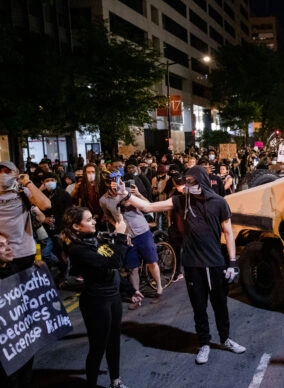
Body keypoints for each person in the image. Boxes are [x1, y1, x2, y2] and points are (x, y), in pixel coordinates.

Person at [122, 165, 247, 364]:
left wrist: (232, 261)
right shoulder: (181, 201)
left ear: (203, 182)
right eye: (186, 182)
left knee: (220, 306)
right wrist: (127, 195)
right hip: (192, 265)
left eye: (192, 182)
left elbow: (229, 232)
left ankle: (225, 339)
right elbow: (149, 207)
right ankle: (204, 343)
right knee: (199, 308)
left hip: (215, 263)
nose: (188, 186)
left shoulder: (219, 203)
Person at [63, 207, 143, 388]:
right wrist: (121, 237)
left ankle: (115, 381)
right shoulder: (77, 249)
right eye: (89, 219)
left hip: (112, 298)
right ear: (76, 226)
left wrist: (130, 290)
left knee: (114, 342)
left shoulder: (95, 240)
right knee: (98, 347)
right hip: (96, 302)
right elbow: (114, 261)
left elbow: (112, 270)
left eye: (93, 218)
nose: (94, 222)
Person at [99, 175, 163, 309]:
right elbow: (108, 216)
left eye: (115, 183)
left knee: (151, 261)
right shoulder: (104, 200)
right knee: (132, 267)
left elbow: (147, 205)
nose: (114, 187)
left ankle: (159, 289)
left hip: (142, 231)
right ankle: (136, 296)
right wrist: (117, 225)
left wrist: (138, 194)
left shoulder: (128, 191)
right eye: (111, 185)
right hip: (126, 235)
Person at [0, 161, 51, 271]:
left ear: (16, 173)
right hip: (1, 254)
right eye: (0, 172)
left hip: (24, 252)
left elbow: (46, 205)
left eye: (7, 171)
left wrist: (27, 182)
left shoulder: (22, 191)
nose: (3, 175)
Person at [0, 232, 35, 387]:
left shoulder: (14, 268)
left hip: (22, 338)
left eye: (8, 243)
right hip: (5, 345)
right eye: (1, 246)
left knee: (25, 375)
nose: (8, 248)